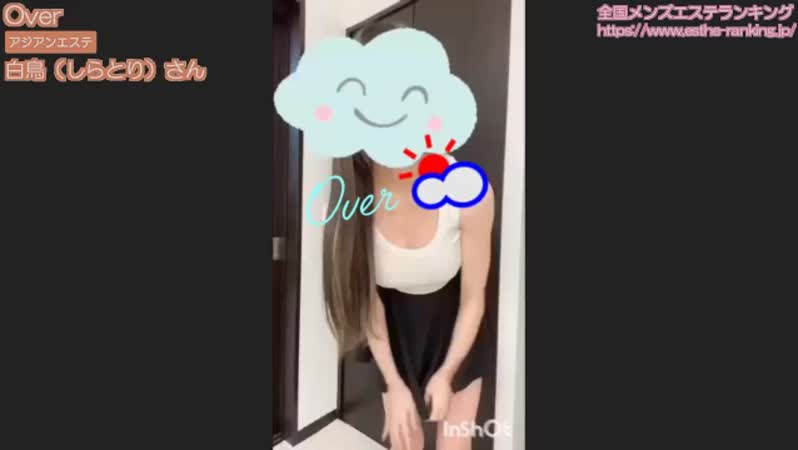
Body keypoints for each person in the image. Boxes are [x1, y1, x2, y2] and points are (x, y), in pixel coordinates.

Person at [322, 21, 494, 450]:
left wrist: (447, 372)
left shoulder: (468, 191)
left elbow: (473, 297)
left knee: (454, 445)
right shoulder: (353, 198)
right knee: (406, 443)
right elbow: (369, 302)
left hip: (457, 326)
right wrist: (395, 386)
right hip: (393, 330)